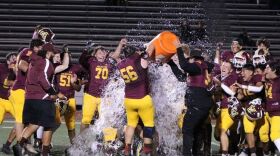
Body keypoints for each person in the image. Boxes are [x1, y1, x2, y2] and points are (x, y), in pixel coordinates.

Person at [13, 47, 66, 156]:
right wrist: (52, 92)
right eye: (53, 52)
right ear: (48, 52)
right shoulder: (45, 62)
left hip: (30, 97)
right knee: (48, 126)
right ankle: (45, 153)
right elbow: (43, 78)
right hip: (42, 98)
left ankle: (20, 144)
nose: (54, 54)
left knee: (35, 123)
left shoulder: (33, 62)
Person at [168, 44, 213, 155]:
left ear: (193, 58)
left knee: (187, 129)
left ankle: (187, 154)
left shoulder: (198, 66)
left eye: (190, 59)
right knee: (196, 131)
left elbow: (184, 65)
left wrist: (178, 48)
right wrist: (171, 63)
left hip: (198, 104)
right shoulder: (200, 67)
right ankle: (197, 153)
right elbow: (181, 77)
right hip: (203, 104)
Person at [117, 45, 154, 156]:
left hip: (128, 99)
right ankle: (146, 150)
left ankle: (127, 148)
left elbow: (116, 57)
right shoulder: (139, 59)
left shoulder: (121, 64)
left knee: (131, 124)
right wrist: (145, 48)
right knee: (148, 124)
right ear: (134, 52)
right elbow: (148, 54)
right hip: (142, 98)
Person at [10, 39, 45, 154]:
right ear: (35, 47)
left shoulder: (37, 56)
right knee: (20, 120)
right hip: (20, 90)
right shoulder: (28, 51)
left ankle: (25, 144)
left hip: (26, 91)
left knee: (27, 120)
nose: (42, 49)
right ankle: (21, 146)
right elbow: (22, 65)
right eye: (40, 47)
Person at [0, 52, 17, 154]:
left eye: (16, 59)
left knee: (22, 121)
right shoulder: (1, 68)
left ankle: (7, 145)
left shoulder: (19, 70)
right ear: (7, 61)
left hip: (12, 101)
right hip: (1, 100)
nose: (15, 61)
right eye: (13, 59)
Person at [264, 62, 280, 152]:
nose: (265, 70)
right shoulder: (270, 81)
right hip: (270, 113)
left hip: (278, 113)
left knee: (275, 135)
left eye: (267, 68)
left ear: (274, 70)